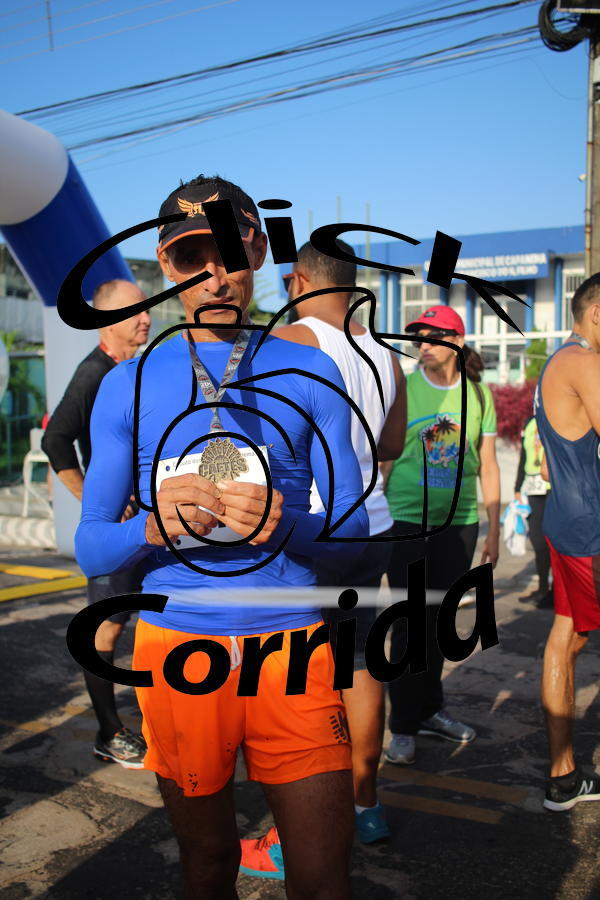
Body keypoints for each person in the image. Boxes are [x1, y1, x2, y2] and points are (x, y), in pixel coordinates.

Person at [74, 174, 369, 899]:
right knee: (208, 866)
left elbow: (356, 534)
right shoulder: (128, 383)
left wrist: (288, 524)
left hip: (293, 646)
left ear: (259, 251)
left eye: (230, 253)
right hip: (178, 651)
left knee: (323, 878)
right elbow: (89, 546)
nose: (215, 276)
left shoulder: (308, 367)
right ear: (165, 265)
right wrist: (150, 525)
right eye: (190, 258)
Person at [239, 240, 406, 873]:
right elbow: (391, 439)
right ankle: (366, 804)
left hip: (313, 532)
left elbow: (267, 439)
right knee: (363, 666)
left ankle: (298, 831)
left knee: (306, 682)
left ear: (300, 279)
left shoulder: (298, 343)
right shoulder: (385, 352)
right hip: (373, 522)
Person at [382, 305, 500, 766]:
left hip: (461, 523)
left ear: (456, 341)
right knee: (409, 624)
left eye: (432, 336)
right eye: (419, 338)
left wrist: (491, 528)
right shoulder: (405, 390)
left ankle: (429, 710)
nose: (423, 345)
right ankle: (402, 725)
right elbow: (386, 460)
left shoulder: (479, 395)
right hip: (405, 522)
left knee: (438, 623)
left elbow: (487, 465)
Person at [42, 279, 151, 768]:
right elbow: (56, 440)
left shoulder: (138, 369)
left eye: (147, 309)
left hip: (150, 526)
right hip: (115, 533)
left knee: (155, 623)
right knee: (105, 631)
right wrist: (94, 503)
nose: (145, 318)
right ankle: (110, 731)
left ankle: (162, 724)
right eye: (132, 312)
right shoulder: (95, 373)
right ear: (106, 320)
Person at [534, 273, 600, 811]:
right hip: (589, 528)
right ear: (597, 313)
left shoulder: (560, 360)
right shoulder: (582, 361)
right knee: (571, 640)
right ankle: (561, 773)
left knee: (568, 637)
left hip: (569, 519)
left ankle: (563, 775)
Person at [514, 414, 552, 608]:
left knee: (553, 539)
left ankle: (554, 591)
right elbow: (524, 457)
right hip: (533, 486)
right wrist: (517, 487)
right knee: (538, 540)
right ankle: (543, 588)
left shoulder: (558, 416)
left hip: (554, 488)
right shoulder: (529, 422)